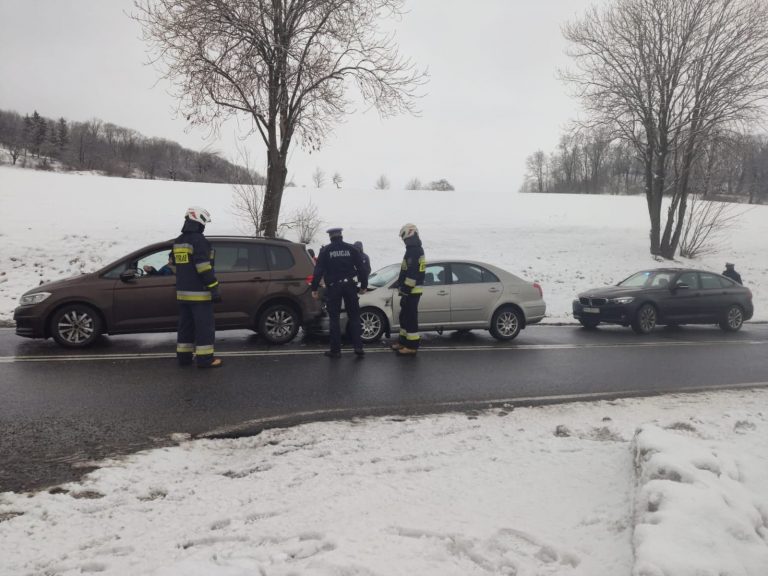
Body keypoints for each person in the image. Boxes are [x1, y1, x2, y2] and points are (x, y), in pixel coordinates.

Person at [173, 206, 223, 368]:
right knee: (204, 327)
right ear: (198, 221)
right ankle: (205, 359)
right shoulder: (199, 241)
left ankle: (184, 358)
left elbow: (173, 264)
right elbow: (203, 267)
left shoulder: (178, 241)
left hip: (182, 294)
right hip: (200, 294)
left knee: (185, 327)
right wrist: (214, 287)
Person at [311, 227, 368, 358]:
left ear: (330, 237)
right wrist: (363, 286)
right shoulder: (351, 249)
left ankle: (335, 350)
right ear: (341, 235)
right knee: (354, 316)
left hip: (333, 287)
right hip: (350, 286)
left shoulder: (325, 250)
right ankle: (358, 347)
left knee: (334, 318)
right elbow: (361, 268)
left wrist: (314, 288)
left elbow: (318, 270)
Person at [392, 223, 425, 356]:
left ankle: (412, 346)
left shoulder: (415, 250)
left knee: (410, 318)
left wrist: (405, 288)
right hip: (409, 290)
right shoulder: (413, 249)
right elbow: (406, 270)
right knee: (404, 316)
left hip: (412, 290)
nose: (403, 240)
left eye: (403, 237)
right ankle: (403, 341)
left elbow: (412, 273)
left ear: (409, 234)